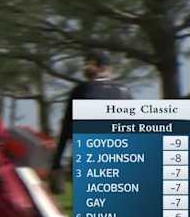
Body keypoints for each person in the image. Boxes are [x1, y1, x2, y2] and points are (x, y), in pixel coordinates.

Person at [49, 51, 132, 194]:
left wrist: (57, 161)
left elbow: (66, 128)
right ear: (107, 68)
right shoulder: (123, 91)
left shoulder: (81, 90)